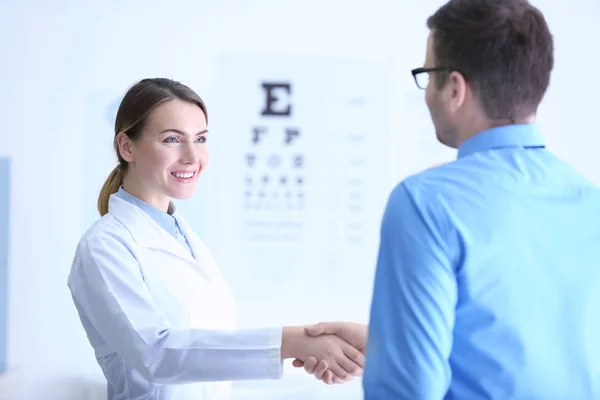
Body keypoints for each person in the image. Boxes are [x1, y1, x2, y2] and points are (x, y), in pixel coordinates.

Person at [357, 0, 600, 398]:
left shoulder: (424, 204)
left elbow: (408, 391)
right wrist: (390, 340)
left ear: (454, 88)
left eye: (427, 75)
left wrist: (395, 354)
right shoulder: (592, 203)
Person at [66, 77, 367, 400]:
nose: (192, 157)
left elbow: (212, 349)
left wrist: (310, 348)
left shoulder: (182, 236)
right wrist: (292, 342)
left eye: (200, 139)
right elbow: (157, 353)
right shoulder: (104, 246)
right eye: (171, 139)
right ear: (127, 147)